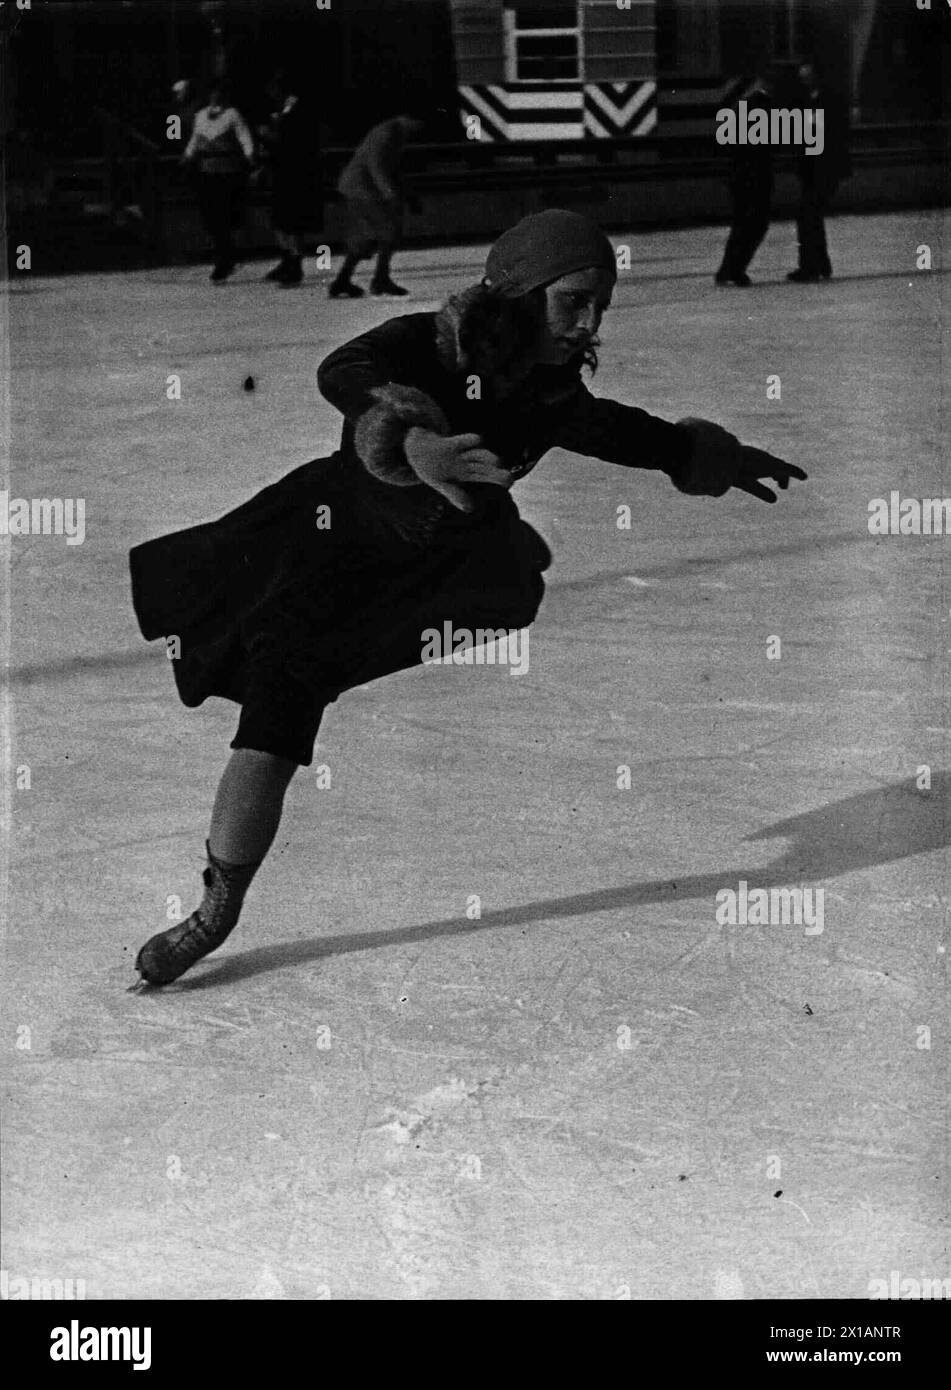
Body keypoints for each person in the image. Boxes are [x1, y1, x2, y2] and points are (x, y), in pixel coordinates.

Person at [128, 209, 806, 988]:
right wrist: (408, 436)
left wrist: (709, 455)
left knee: (504, 570)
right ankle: (216, 910)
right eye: (572, 301)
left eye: (599, 305)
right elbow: (341, 369)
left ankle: (504, 552)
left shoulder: (548, 394)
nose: (587, 323)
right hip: (322, 555)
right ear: (520, 294)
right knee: (274, 726)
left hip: (433, 566)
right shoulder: (430, 344)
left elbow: (634, 435)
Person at [328, 113, 426, 299]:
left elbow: (390, 167)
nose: (418, 129)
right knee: (387, 231)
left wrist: (406, 195)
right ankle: (378, 278)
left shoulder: (394, 132)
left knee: (372, 235)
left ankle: (347, 279)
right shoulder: (388, 133)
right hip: (362, 188)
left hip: (361, 188)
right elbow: (377, 165)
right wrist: (390, 193)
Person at [183, 84, 256, 282]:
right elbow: (196, 138)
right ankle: (225, 253)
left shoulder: (232, 114)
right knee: (211, 215)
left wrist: (249, 154)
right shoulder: (200, 115)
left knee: (223, 214)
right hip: (206, 170)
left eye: (219, 93)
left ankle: (225, 257)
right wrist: (188, 154)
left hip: (226, 170)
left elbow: (243, 135)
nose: (215, 96)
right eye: (213, 93)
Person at [787, 60, 852, 282]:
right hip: (815, 170)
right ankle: (820, 265)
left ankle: (811, 267)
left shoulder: (824, 101)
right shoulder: (813, 101)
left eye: (807, 77)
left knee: (808, 216)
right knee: (811, 216)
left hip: (823, 169)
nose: (804, 81)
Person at [260, 75, 323, 287]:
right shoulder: (285, 111)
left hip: (294, 173)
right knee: (281, 219)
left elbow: (293, 144)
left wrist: (270, 136)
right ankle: (288, 259)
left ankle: (294, 263)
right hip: (283, 172)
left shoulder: (298, 111)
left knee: (291, 221)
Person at [715, 74, 775, 287]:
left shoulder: (742, 108)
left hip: (739, 176)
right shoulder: (766, 108)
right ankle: (736, 269)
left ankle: (727, 269)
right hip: (757, 177)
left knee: (741, 224)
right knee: (757, 224)